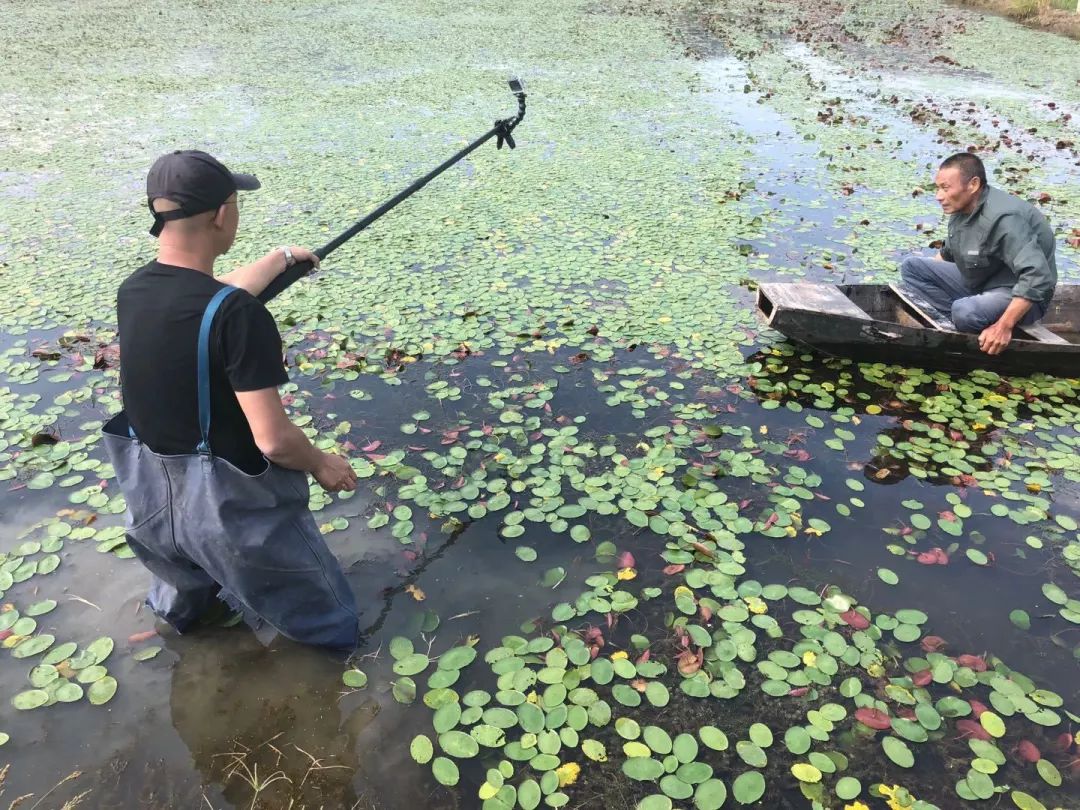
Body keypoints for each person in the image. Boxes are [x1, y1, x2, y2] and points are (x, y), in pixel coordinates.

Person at [102, 149, 360, 650]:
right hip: (232, 517)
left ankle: (177, 635)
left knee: (187, 605)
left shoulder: (133, 291)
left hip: (152, 503)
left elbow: (204, 299)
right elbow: (274, 440)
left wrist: (280, 260)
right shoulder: (240, 317)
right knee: (329, 624)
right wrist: (323, 463)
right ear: (223, 215)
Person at [898, 152, 1057, 355]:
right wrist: (934, 280)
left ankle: (978, 322)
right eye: (938, 188)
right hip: (983, 281)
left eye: (945, 188)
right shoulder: (962, 209)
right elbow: (948, 253)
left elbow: (1037, 277)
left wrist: (1004, 327)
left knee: (964, 312)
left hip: (1020, 292)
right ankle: (966, 319)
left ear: (973, 185)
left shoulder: (1005, 219)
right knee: (912, 268)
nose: (938, 196)